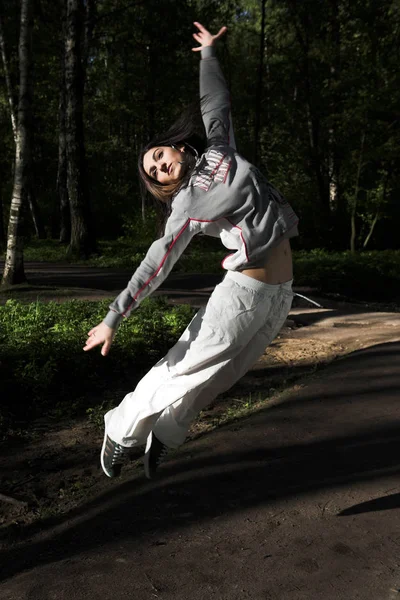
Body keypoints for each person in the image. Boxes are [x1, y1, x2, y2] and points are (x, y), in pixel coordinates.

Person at [83, 22, 299, 480]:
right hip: (244, 292)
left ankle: (166, 431)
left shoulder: (221, 150)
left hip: (281, 292)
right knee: (186, 365)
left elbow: (215, 102)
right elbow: (154, 265)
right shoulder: (185, 206)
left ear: (177, 147)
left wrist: (208, 55)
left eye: (158, 156)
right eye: (154, 172)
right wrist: (112, 318)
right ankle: (121, 429)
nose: (160, 166)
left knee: (224, 375)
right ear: (162, 185)